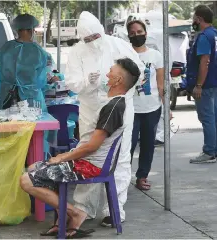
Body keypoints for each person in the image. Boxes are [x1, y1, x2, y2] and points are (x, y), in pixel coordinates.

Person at [20, 58, 141, 238]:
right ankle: (61, 219)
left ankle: (73, 213)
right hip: (87, 160)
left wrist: (63, 157)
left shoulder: (114, 107)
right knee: (33, 168)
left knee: (27, 180)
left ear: (118, 81)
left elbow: (92, 146)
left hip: (90, 165)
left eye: (111, 72)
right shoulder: (113, 103)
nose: (107, 75)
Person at [65, 11, 145, 227]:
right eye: (89, 39)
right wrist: (87, 82)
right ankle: (84, 208)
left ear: (101, 31)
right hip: (91, 111)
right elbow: (71, 83)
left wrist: (122, 88)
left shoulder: (118, 45)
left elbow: (140, 72)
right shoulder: (77, 52)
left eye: (96, 37)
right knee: (87, 156)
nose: (93, 42)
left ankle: (114, 210)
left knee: (119, 158)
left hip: (118, 108)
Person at [126, 20, 164, 191]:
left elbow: (161, 84)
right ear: (128, 36)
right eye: (133, 33)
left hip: (152, 108)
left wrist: (167, 108)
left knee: (148, 145)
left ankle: (142, 177)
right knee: (128, 145)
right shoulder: (125, 55)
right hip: (130, 109)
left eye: (139, 31)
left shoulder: (155, 55)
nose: (136, 35)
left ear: (146, 33)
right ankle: (123, 178)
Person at [186, 5, 217, 164]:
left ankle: (209, 152)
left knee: (207, 117)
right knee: (216, 117)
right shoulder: (216, 34)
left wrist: (199, 85)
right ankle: (215, 150)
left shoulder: (203, 36)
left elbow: (204, 61)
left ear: (199, 19)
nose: (193, 20)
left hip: (206, 84)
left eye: (194, 17)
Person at [0, 14, 48, 111]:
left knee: (9, 124)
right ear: (31, 30)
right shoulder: (38, 51)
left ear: (17, 29)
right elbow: (41, 80)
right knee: (32, 124)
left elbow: (0, 74)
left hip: (7, 97)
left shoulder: (6, 48)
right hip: (31, 98)